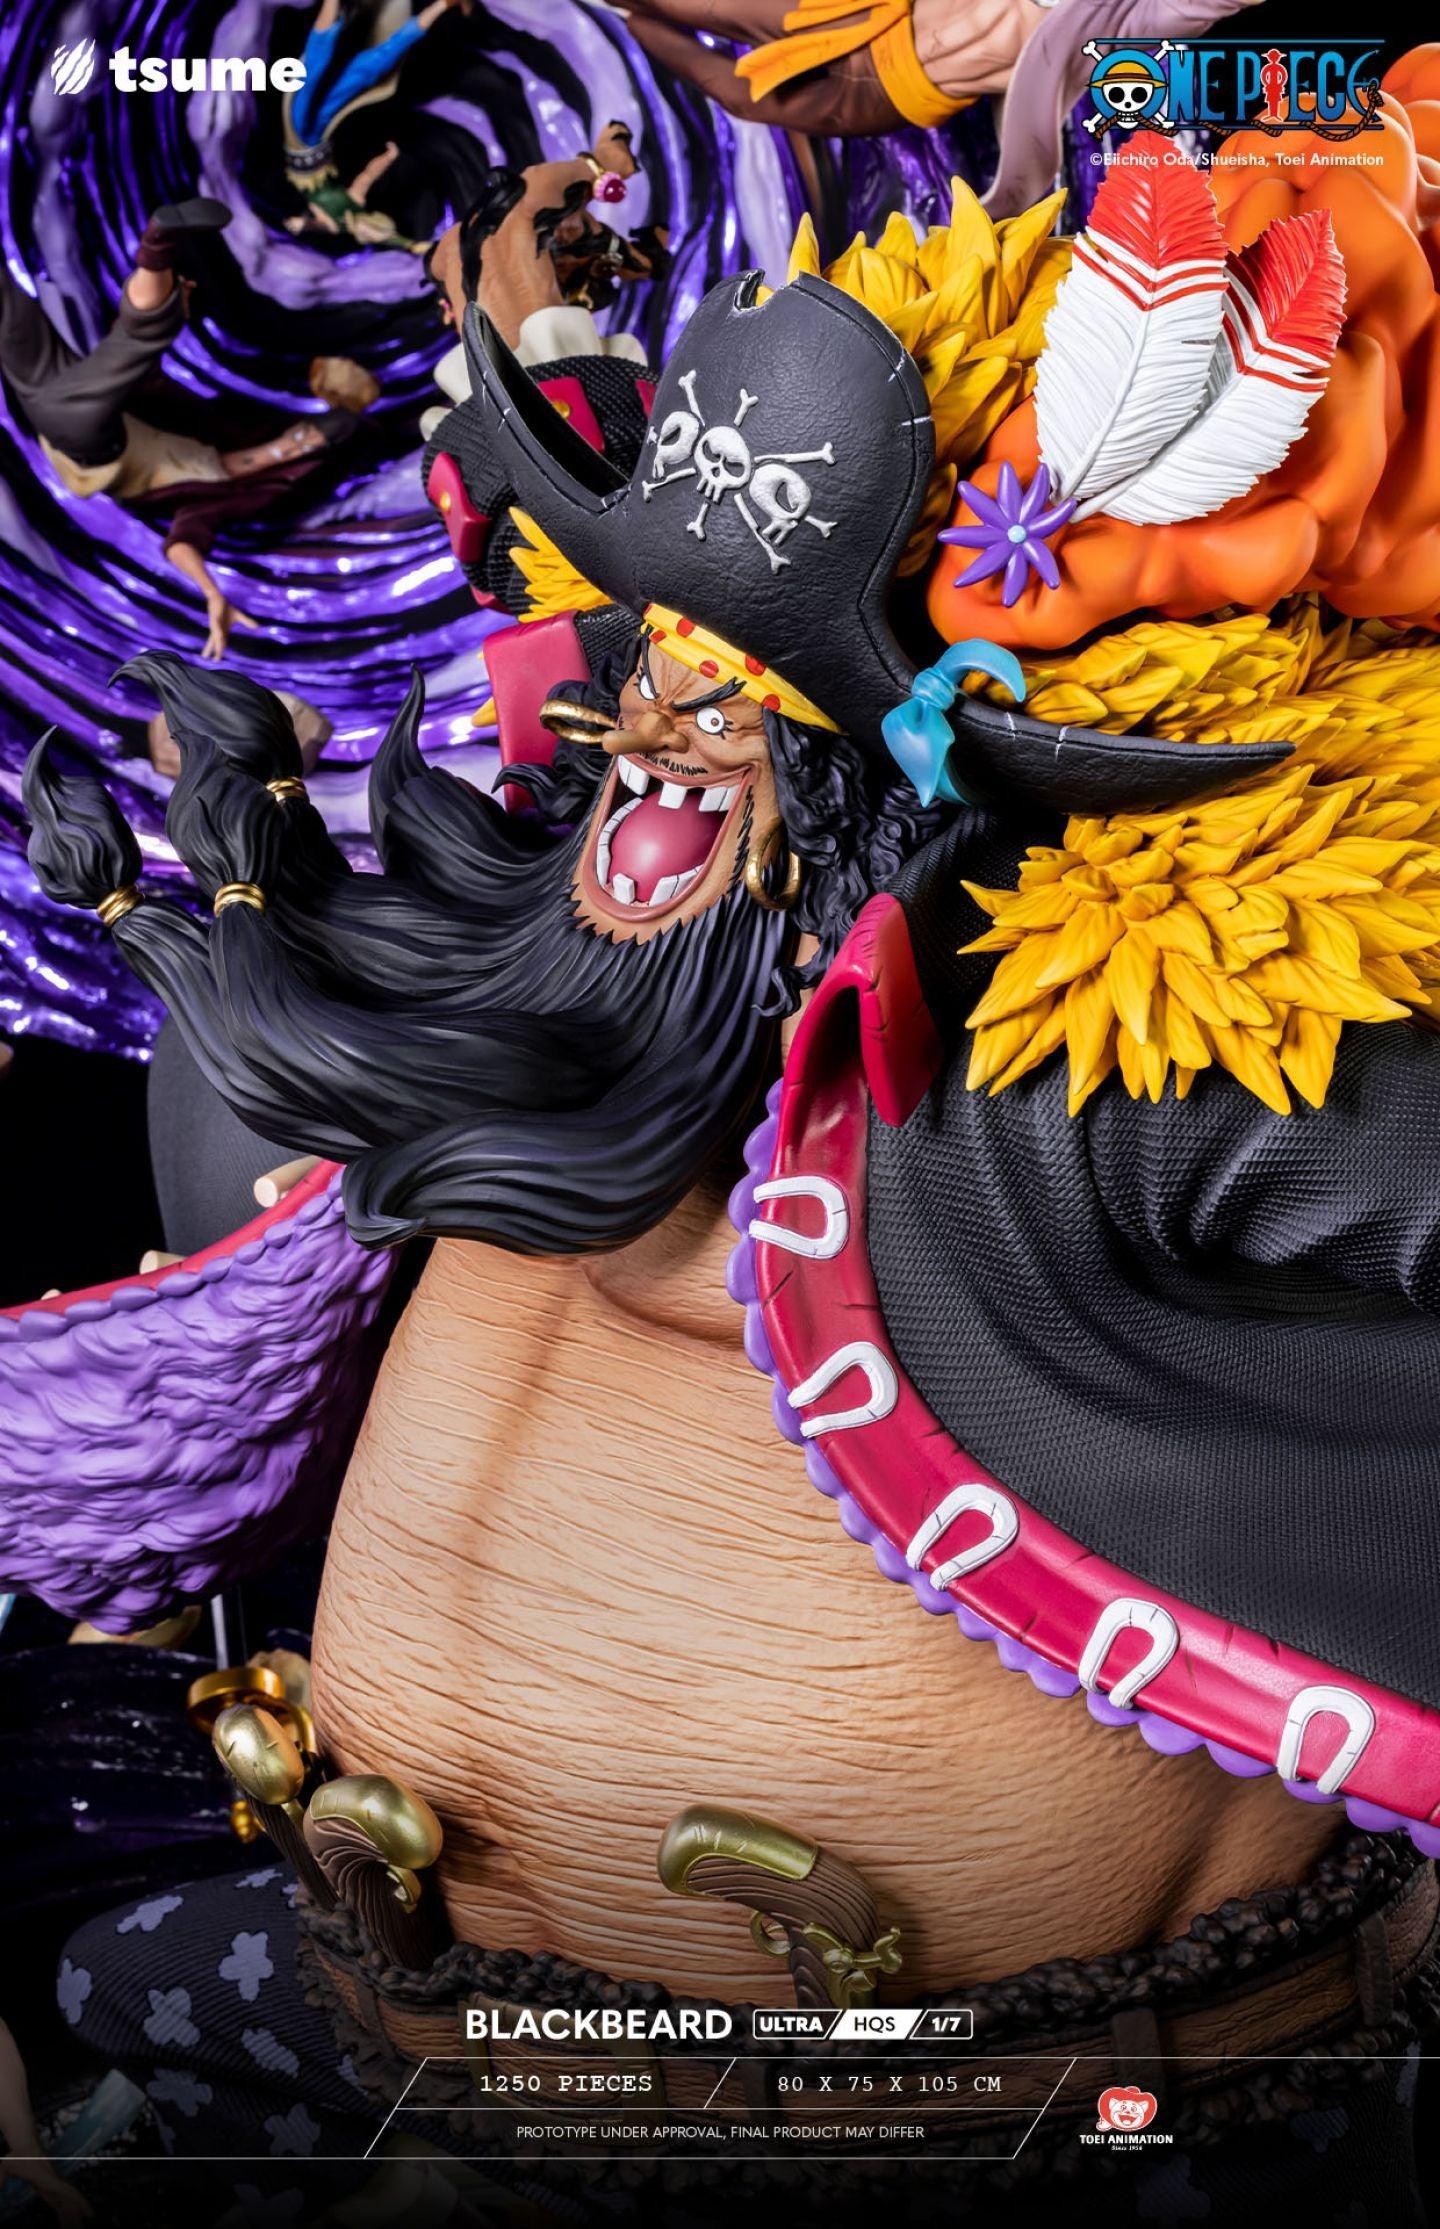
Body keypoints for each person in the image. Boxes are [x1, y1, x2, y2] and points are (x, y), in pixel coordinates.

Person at [0, 201, 377, 659]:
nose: (301, 442)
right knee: (15, 306)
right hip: (79, 396)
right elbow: (142, 372)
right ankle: (158, 249)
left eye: (311, 443)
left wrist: (212, 593)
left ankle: (157, 248)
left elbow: (182, 544)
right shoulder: (218, 428)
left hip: (86, 441)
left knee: (121, 348)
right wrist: (170, 305)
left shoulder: (218, 495)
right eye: (306, 433)